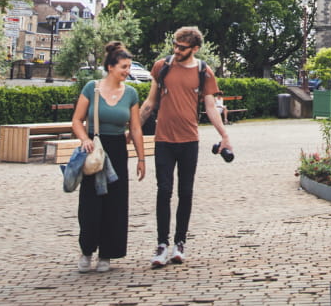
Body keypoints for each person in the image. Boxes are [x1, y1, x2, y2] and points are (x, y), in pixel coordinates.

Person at [139, 26, 233, 268]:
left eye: (182, 47)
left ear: (195, 49)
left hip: (189, 140)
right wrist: (134, 130)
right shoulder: (162, 67)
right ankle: (162, 244)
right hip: (163, 140)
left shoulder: (204, 72)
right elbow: (150, 103)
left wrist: (224, 135)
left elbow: (211, 107)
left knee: (186, 192)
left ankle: (179, 242)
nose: (176, 50)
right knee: (164, 190)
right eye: (175, 45)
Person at [71, 40, 145, 274]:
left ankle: (107, 253)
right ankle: (86, 250)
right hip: (95, 149)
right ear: (110, 67)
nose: (127, 71)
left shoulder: (131, 93)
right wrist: (84, 139)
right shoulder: (91, 88)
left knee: (116, 204)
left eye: (129, 67)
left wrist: (141, 158)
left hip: (117, 150)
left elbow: (135, 128)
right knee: (90, 204)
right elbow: (77, 120)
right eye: (124, 67)